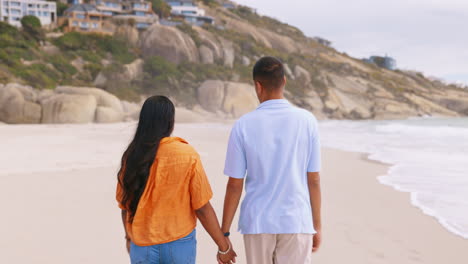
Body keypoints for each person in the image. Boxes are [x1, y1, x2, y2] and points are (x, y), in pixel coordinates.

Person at [221, 57, 322, 264]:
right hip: (297, 220)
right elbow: (313, 180)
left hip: (258, 222)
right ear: (284, 81)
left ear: (258, 86)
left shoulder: (243, 125)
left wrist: (224, 233)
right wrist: (316, 225)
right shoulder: (307, 121)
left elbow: (234, 185)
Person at [116, 96, 237, 264]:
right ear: (170, 122)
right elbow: (202, 207)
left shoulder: (133, 156)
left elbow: (125, 205)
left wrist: (128, 238)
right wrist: (223, 246)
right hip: (179, 243)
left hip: (142, 244)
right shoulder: (186, 154)